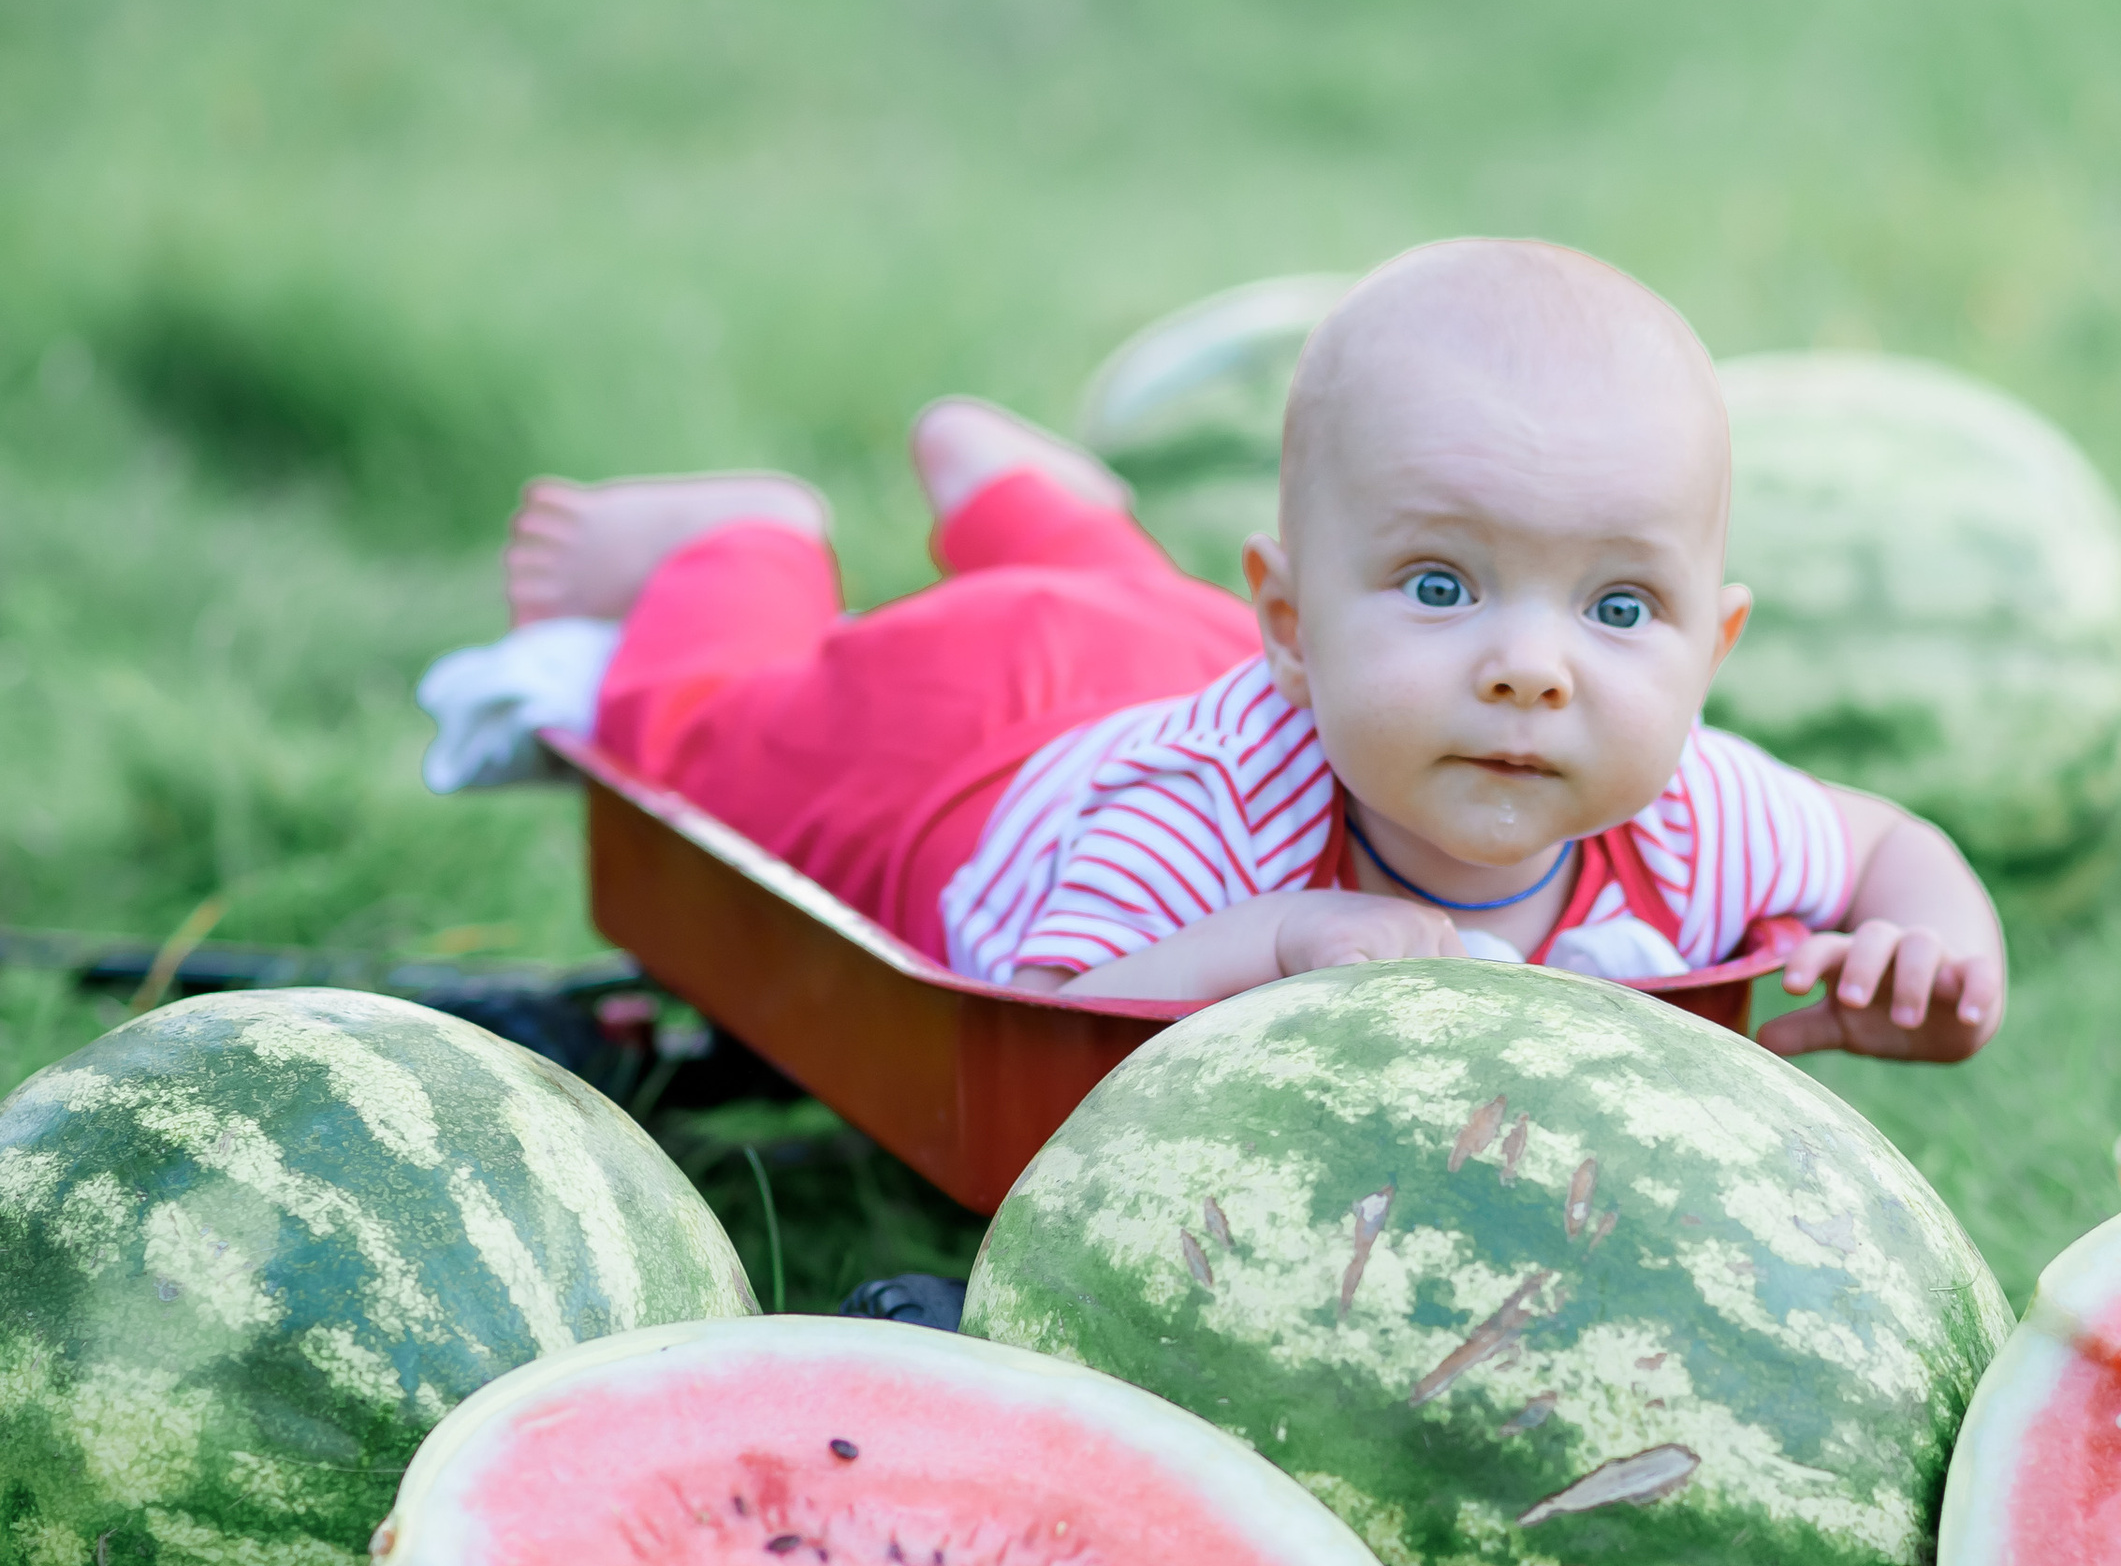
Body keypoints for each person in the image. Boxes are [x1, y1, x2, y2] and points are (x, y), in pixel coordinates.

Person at [505, 239, 2004, 1060]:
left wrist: (1934, 960)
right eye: (1441, 584)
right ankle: (748, 540)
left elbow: (1892, 843)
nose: (1533, 668)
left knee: (1142, 614)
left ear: (1711, 647)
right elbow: (1037, 1026)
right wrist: (1273, 943)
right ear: (1288, 625)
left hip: (1174, 654)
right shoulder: (1199, 822)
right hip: (966, 750)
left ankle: (1045, 511)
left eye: (1618, 609)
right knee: (710, 745)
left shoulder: (1684, 814)